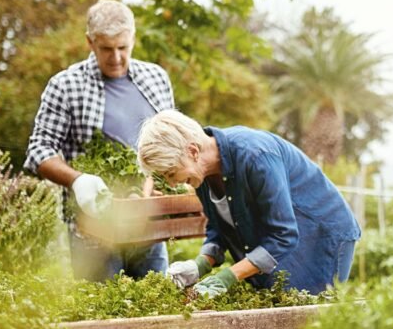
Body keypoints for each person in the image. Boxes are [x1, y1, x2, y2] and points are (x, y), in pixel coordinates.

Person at [24, 0, 175, 281]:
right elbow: (38, 150)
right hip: (93, 231)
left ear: (133, 39)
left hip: (149, 226)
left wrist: (157, 183)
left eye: (123, 48)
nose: (116, 57)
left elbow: (169, 145)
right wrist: (77, 180)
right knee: (103, 314)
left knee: (156, 310)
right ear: (89, 42)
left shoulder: (156, 79)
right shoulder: (66, 85)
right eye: (106, 48)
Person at [136, 110, 360, 297]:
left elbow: (283, 235)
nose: (172, 184)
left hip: (320, 235)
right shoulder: (201, 175)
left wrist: (227, 277)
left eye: (171, 173)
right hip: (286, 240)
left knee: (309, 318)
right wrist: (199, 265)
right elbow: (218, 229)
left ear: (193, 151)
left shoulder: (255, 155)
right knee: (279, 311)